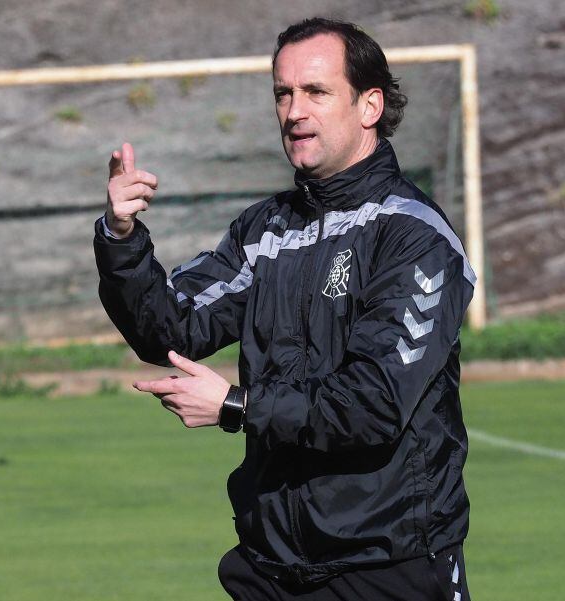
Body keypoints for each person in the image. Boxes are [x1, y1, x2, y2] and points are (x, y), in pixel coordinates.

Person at [94, 17, 474, 601]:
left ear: (369, 105)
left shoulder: (413, 237)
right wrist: (121, 237)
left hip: (385, 565)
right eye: (283, 93)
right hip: (271, 565)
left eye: (317, 92)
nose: (294, 110)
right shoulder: (265, 230)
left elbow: (371, 405)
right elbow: (170, 327)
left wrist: (234, 405)